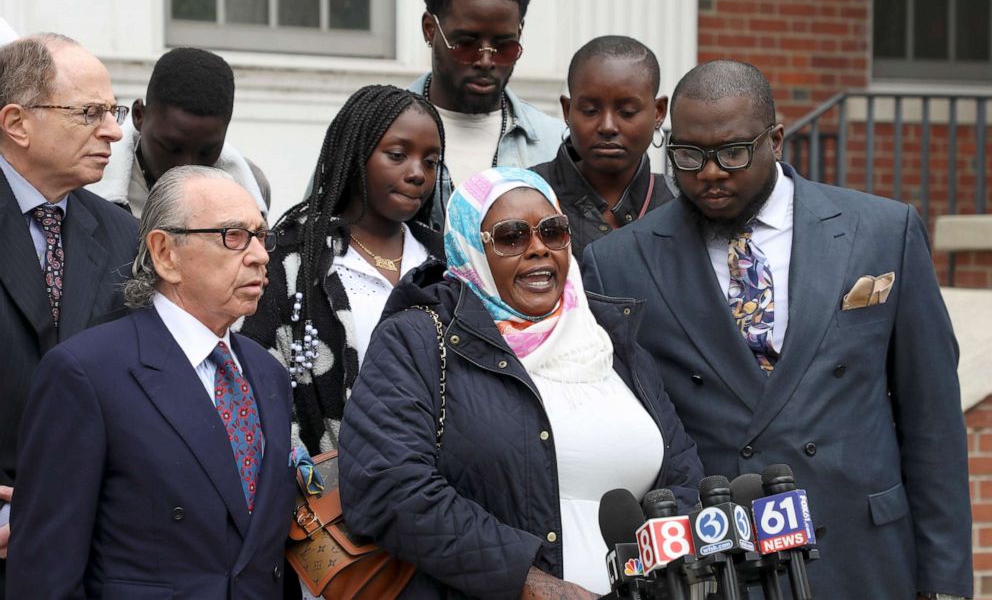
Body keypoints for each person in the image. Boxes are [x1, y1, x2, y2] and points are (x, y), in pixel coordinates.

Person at [582, 60, 973, 599]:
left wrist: (946, 581)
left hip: (864, 553)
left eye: (733, 153)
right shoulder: (618, 262)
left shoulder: (882, 232)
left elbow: (932, 418)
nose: (710, 172)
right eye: (688, 156)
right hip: (722, 562)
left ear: (777, 140)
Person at [338, 167, 702, 598]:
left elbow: (683, 478)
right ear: (470, 247)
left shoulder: (610, 341)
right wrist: (528, 582)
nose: (538, 250)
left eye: (554, 232)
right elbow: (387, 486)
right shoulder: (415, 338)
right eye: (512, 237)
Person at [7, 166, 296, 598]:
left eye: (260, 235)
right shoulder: (86, 372)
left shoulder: (267, 373)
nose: (259, 255)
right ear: (164, 253)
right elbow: (45, 574)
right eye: (233, 236)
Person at [0, 34, 138, 595]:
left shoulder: (122, 232)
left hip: (91, 551)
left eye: (114, 111)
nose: (114, 130)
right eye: (89, 113)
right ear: (16, 122)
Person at [240, 85, 445, 457]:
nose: (417, 173)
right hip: (331, 493)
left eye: (430, 161)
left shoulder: (447, 262)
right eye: (398, 155)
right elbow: (257, 381)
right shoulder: (292, 258)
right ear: (355, 154)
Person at [411, 0, 564, 224]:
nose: (485, 60)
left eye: (504, 47)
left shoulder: (556, 144)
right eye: (466, 44)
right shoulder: (374, 132)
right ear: (430, 29)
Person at [533, 35, 675, 262]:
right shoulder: (525, 195)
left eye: (627, 112)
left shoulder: (681, 205)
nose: (607, 126)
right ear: (567, 110)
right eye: (590, 110)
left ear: (658, 112)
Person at [87, 47, 270, 218]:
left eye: (207, 152)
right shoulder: (85, 179)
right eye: (171, 148)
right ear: (139, 116)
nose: (187, 167)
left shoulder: (252, 189)